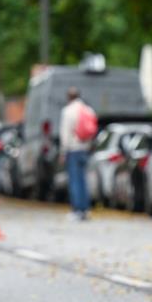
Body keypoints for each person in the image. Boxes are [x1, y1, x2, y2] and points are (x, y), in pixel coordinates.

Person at [59, 87, 94, 220]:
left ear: (68, 97)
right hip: (85, 149)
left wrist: (63, 152)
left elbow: (65, 134)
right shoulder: (88, 110)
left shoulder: (68, 111)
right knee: (83, 180)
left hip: (73, 149)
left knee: (74, 181)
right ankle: (86, 208)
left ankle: (77, 210)